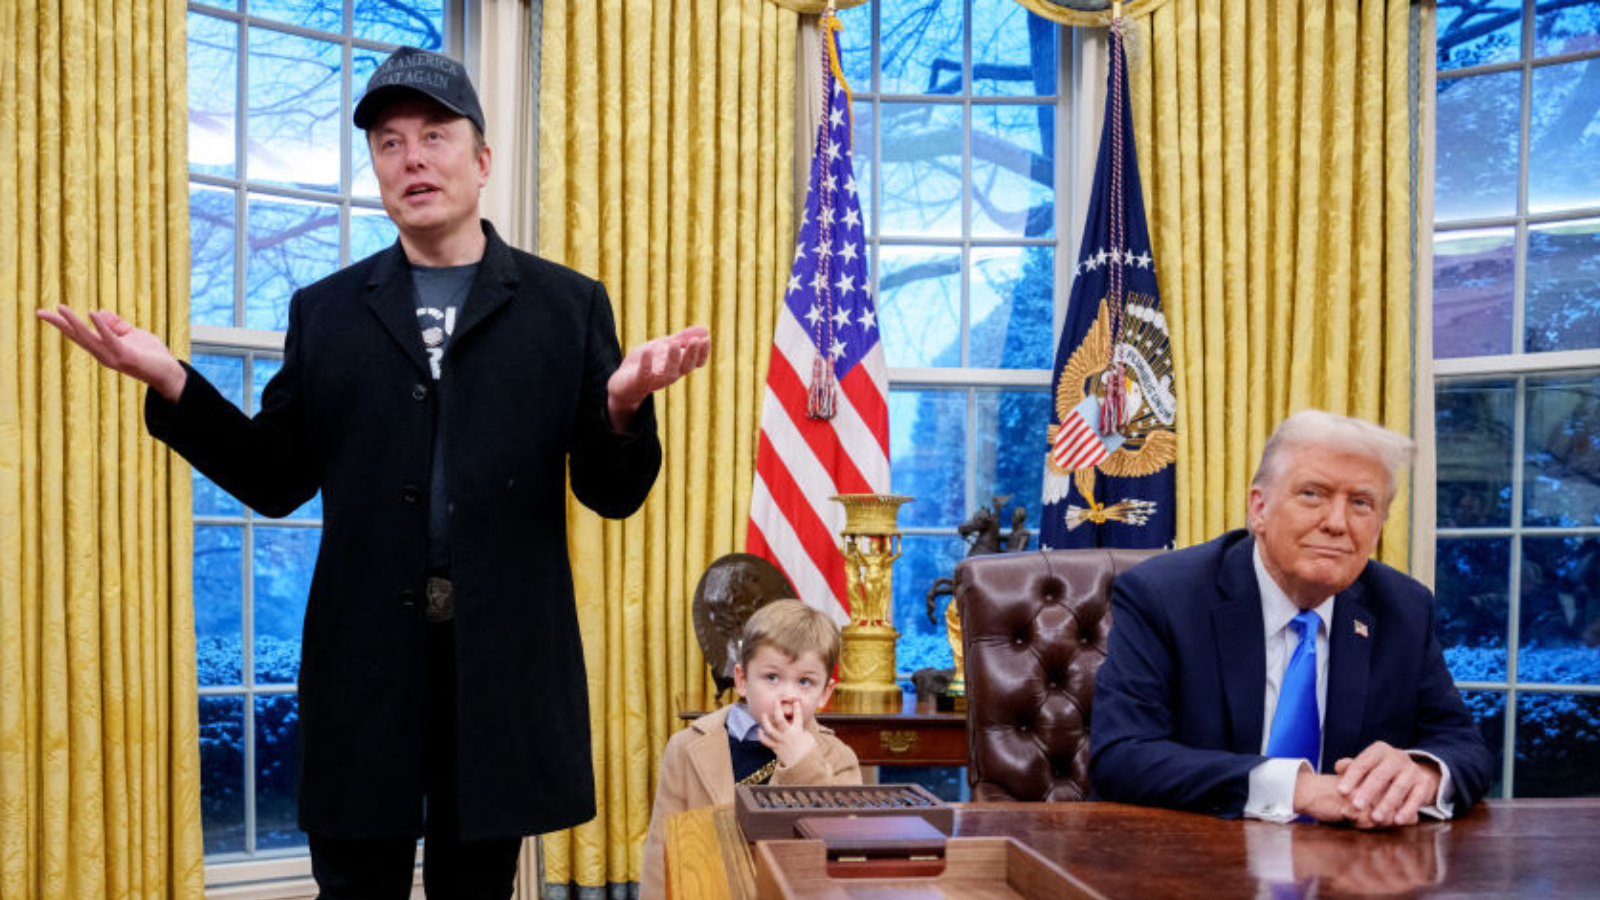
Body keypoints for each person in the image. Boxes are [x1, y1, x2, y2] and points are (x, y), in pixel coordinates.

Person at [38, 46, 709, 900]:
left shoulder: (566, 304)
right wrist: (173, 380)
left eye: (435, 135)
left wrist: (620, 405)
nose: (413, 158)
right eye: (389, 143)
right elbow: (274, 478)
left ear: (482, 158)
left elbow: (611, 494)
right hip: (364, 668)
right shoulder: (326, 313)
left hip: (500, 668)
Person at [1090, 410, 1493, 828]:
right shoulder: (1164, 595)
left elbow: (1463, 746)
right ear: (1259, 509)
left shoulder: (1404, 608)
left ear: (1379, 526)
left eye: (1361, 503)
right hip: (1190, 860)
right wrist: (1296, 789)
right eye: (1313, 494)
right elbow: (1122, 755)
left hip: (1348, 873)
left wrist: (1422, 775)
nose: (1337, 523)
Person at [641, 599, 861, 900]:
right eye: (772, 677)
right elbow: (661, 852)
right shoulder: (685, 747)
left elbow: (839, 852)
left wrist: (802, 765)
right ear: (742, 680)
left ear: (825, 693)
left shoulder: (839, 758)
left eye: (805, 682)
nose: (788, 695)